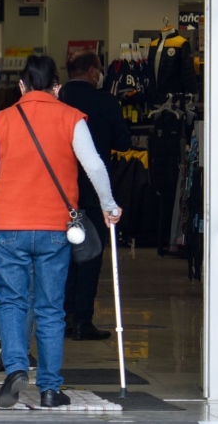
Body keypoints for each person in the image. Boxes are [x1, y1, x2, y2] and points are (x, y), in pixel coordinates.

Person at [0, 55, 122, 409]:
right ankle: (51, 388)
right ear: (57, 86)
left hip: (8, 225)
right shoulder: (71, 118)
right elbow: (94, 165)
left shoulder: (1, 120)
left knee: (11, 299)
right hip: (56, 226)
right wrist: (108, 205)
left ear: (22, 85)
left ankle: (15, 368)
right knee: (51, 307)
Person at [60, 51, 132, 340]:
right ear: (92, 71)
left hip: (61, 193)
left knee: (63, 257)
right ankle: (83, 320)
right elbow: (125, 143)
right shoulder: (105, 101)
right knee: (90, 256)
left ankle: (64, 316)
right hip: (93, 191)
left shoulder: (58, 101)